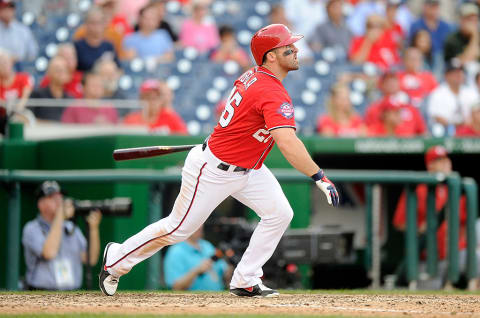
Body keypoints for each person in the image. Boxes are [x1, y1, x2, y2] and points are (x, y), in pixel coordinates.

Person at [98, 24, 339, 298]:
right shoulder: (269, 90)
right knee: (177, 229)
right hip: (214, 169)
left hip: (248, 168)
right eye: (288, 46)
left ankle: (246, 279)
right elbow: (286, 142)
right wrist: (319, 176)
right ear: (270, 55)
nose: (295, 49)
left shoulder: (255, 77)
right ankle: (116, 258)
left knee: (280, 213)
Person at [393, 146, 472, 286]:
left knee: (476, 260)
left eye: (446, 159)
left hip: (455, 253)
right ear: (430, 165)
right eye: (439, 160)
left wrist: (460, 241)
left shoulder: (457, 189)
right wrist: (418, 228)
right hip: (428, 259)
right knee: (430, 298)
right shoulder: (418, 189)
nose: (446, 163)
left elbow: (465, 224)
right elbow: (399, 222)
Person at [22, 181, 102, 290]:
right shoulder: (31, 229)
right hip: (41, 295)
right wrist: (60, 215)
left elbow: (91, 259)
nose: (59, 201)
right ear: (40, 204)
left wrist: (93, 229)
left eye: (60, 197)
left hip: (71, 295)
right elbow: (49, 253)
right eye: (52, 197)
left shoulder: (70, 227)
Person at [164, 225, 233, 291]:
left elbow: (225, 273)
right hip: (191, 302)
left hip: (218, 301)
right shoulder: (176, 251)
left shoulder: (207, 245)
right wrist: (196, 271)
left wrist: (230, 270)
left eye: (201, 221)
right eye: (196, 221)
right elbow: (176, 287)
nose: (200, 226)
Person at [365, 71, 427, 136]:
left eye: (394, 81)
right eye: (387, 82)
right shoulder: (373, 109)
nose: (391, 84)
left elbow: (423, 133)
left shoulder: (410, 108)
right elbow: (367, 131)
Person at [427, 58, 478, 134]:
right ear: (446, 75)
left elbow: (477, 112)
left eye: (461, 72)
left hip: (469, 131)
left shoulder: (471, 92)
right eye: (454, 72)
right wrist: (460, 124)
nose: (459, 75)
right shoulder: (438, 93)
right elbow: (437, 118)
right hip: (446, 132)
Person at [122, 79, 187, 134]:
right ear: (141, 99)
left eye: (156, 97)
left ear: (161, 99)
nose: (152, 102)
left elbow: (184, 140)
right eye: (148, 97)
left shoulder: (171, 118)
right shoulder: (131, 120)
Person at [74, 7, 119, 72]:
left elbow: (118, 69)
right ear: (86, 24)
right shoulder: (78, 46)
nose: (96, 27)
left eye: (99, 22)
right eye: (93, 23)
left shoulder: (109, 46)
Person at [30, 56, 72, 122]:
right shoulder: (37, 94)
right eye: (58, 69)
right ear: (48, 73)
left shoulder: (71, 99)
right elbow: (27, 118)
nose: (62, 73)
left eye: (64, 69)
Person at [0, 49, 33, 117]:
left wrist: (18, 108)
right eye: (0, 63)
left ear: (11, 63)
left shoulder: (23, 78)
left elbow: (25, 97)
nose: (3, 66)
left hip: (20, 113)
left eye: (5, 62)